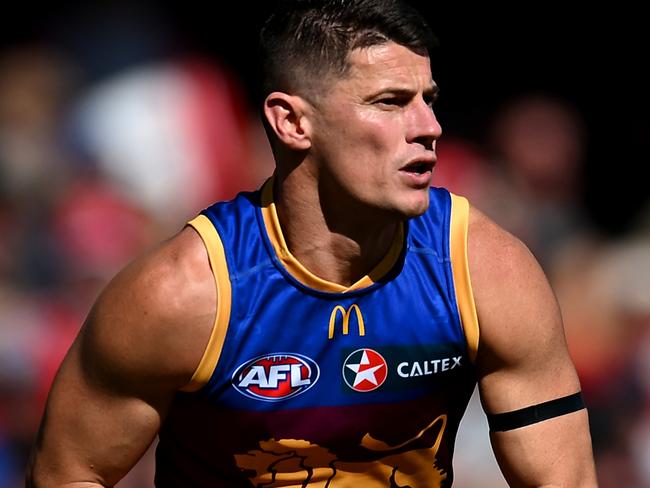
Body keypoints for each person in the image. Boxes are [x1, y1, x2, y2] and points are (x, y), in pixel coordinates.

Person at [26, 0, 598, 486]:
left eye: (428, 98)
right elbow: (68, 472)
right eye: (391, 102)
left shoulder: (486, 271)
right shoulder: (182, 295)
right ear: (293, 122)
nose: (429, 126)